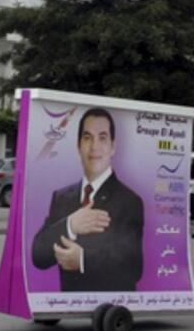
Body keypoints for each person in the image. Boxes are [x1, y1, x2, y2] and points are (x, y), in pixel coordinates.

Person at [32, 107, 144, 291]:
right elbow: (38, 256)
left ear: (113, 147)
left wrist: (83, 260)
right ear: (78, 146)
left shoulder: (130, 201)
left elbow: (134, 267)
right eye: (87, 137)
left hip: (109, 311)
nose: (94, 147)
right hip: (69, 308)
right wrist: (70, 225)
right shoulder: (61, 198)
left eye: (102, 137)